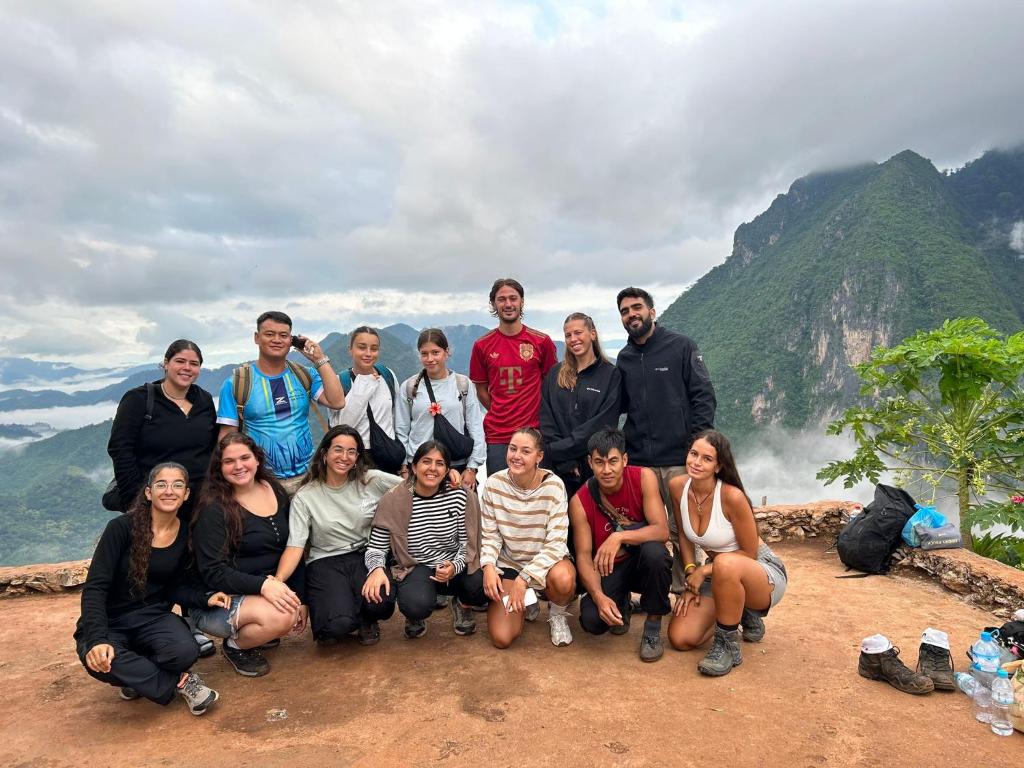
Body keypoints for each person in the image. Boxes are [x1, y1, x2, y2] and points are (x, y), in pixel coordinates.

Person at [74, 463, 223, 715]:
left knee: (185, 652)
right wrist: (97, 639)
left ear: (186, 494)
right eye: (161, 484)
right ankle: (181, 683)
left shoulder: (186, 533)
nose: (169, 491)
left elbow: (175, 587)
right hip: (111, 622)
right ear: (148, 492)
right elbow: (96, 587)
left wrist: (204, 598)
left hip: (152, 617)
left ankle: (139, 679)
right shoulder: (121, 528)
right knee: (100, 660)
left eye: (177, 485)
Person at [615, 287, 716, 592]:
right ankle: (656, 593)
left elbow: (703, 397)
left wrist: (695, 450)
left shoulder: (680, 346)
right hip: (641, 463)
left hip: (678, 459)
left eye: (637, 307)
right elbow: (620, 406)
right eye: (625, 311)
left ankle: (695, 588)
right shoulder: (625, 357)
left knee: (687, 530)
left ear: (652, 312)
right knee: (648, 531)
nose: (632, 314)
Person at [666, 430, 788, 676]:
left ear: (719, 466)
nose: (697, 462)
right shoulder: (678, 486)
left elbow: (749, 552)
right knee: (681, 638)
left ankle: (727, 646)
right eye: (693, 454)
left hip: (760, 571)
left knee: (725, 564)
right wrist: (691, 574)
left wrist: (705, 571)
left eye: (707, 458)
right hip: (718, 573)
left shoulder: (732, 497)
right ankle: (736, 609)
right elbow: (683, 536)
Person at [274, 425, 403, 647]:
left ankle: (367, 619)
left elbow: (415, 488)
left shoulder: (371, 480)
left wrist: (448, 475)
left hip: (365, 555)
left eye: (351, 451)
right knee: (335, 626)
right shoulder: (306, 496)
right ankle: (340, 616)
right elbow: (295, 546)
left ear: (358, 456)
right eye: (338, 450)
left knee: (380, 602)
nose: (344, 457)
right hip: (325, 560)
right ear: (324, 454)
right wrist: (277, 582)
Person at [190, 433, 305, 677]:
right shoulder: (214, 508)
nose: (239, 466)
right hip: (220, 599)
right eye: (229, 461)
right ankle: (236, 646)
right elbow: (212, 572)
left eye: (245, 457)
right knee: (284, 615)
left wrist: (299, 595)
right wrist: (264, 586)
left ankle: (260, 630)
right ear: (219, 468)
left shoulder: (271, 487)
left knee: (294, 608)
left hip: (265, 587)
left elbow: (290, 545)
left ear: (257, 460)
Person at [363, 441, 486, 639]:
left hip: (453, 565)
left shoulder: (460, 496)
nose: (432, 468)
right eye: (426, 462)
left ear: (447, 470)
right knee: (415, 604)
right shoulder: (393, 499)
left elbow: (468, 545)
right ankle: (415, 615)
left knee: (480, 586)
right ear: (414, 466)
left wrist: (454, 566)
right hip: (416, 566)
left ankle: (462, 604)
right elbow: (376, 547)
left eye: (439, 463)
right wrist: (376, 569)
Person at [217, 311, 345, 496]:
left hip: (309, 479)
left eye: (283, 335)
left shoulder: (304, 375)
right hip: (262, 481)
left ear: (291, 340)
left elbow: (337, 401)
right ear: (256, 337)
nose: (277, 340)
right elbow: (227, 436)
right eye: (269, 334)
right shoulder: (237, 383)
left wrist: (319, 359)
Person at [570, 428, 671, 662]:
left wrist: (618, 537)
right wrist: (598, 596)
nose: (607, 470)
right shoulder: (580, 501)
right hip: (612, 567)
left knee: (656, 553)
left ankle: (653, 627)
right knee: (592, 621)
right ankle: (621, 601)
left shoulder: (643, 478)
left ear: (624, 460)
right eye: (599, 462)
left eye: (613, 461)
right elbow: (584, 557)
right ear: (590, 463)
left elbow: (661, 530)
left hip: (644, 561)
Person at [479, 427, 577, 648]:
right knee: (502, 638)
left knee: (564, 579)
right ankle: (527, 603)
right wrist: (488, 566)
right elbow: (490, 535)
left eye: (526, 451)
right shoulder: (494, 484)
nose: (517, 456)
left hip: (547, 564)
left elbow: (556, 543)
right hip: (510, 563)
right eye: (513, 449)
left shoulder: (554, 486)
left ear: (539, 456)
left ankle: (557, 613)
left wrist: (524, 579)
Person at [107, 340, 217, 519]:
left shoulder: (203, 399)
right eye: (180, 361)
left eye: (194, 363)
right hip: (155, 501)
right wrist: (135, 502)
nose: (187, 368)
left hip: (200, 503)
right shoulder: (139, 399)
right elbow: (120, 450)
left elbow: (211, 447)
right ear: (166, 363)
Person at [470, 279, 557, 475]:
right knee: (501, 496)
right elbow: (481, 389)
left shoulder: (541, 342)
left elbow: (551, 386)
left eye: (513, 298)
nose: (508, 304)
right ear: (493, 304)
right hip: (498, 435)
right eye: (501, 299)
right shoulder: (482, 345)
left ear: (522, 302)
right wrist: (502, 411)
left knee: (536, 496)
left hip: (535, 433)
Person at [539, 313, 622, 499]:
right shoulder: (555, 374)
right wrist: (564, 459)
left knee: (592, 523)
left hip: (594, 466)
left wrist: (563, 450)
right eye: (568, 335)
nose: (573, 339)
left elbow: (603, 423)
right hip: (556, 467)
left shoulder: (611, 375)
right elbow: (546, 418)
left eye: (578, 333)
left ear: (592, 334)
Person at [395, 328, 486, 490]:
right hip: (419, 466)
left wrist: (472, 468)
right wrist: (404, 468)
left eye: (435, 352)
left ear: (446, 352)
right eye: (424, 354)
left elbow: (476, 427)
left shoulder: (463, 384)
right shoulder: (409, 387)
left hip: (457, 465)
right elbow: (401, 430)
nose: (430, 359)